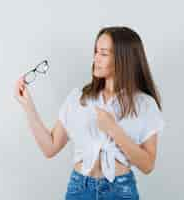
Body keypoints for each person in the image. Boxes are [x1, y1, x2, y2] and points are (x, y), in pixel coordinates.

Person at [14, 26, 166, 200]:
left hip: (120, 191)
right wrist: (28, 106)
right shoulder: (79, 99)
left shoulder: (144, 105)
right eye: (95, 52)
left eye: (103, 53)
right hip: (79, 190)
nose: (95, 58)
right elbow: (50, 148)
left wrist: (114, 130)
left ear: (123, 59)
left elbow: (148, 165)